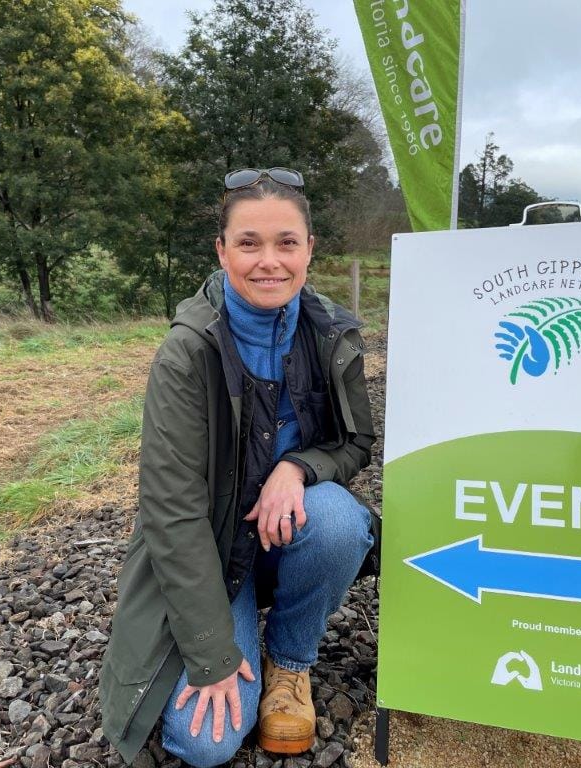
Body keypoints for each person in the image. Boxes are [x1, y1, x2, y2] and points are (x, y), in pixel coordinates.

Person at [97, 167, 377, 768]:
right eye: (249, 243)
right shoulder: (186, 352)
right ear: (222, 251)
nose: (269, 261)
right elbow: (171, 512)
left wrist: (297, 468)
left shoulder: (334, 335)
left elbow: (357, 442)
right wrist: (211, 654)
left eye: (286, 243)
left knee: (339, 521)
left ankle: (290, 663)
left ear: (309, 249)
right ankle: (235, 625)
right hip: (213, 552)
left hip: (285, 531)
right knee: (205, 744)